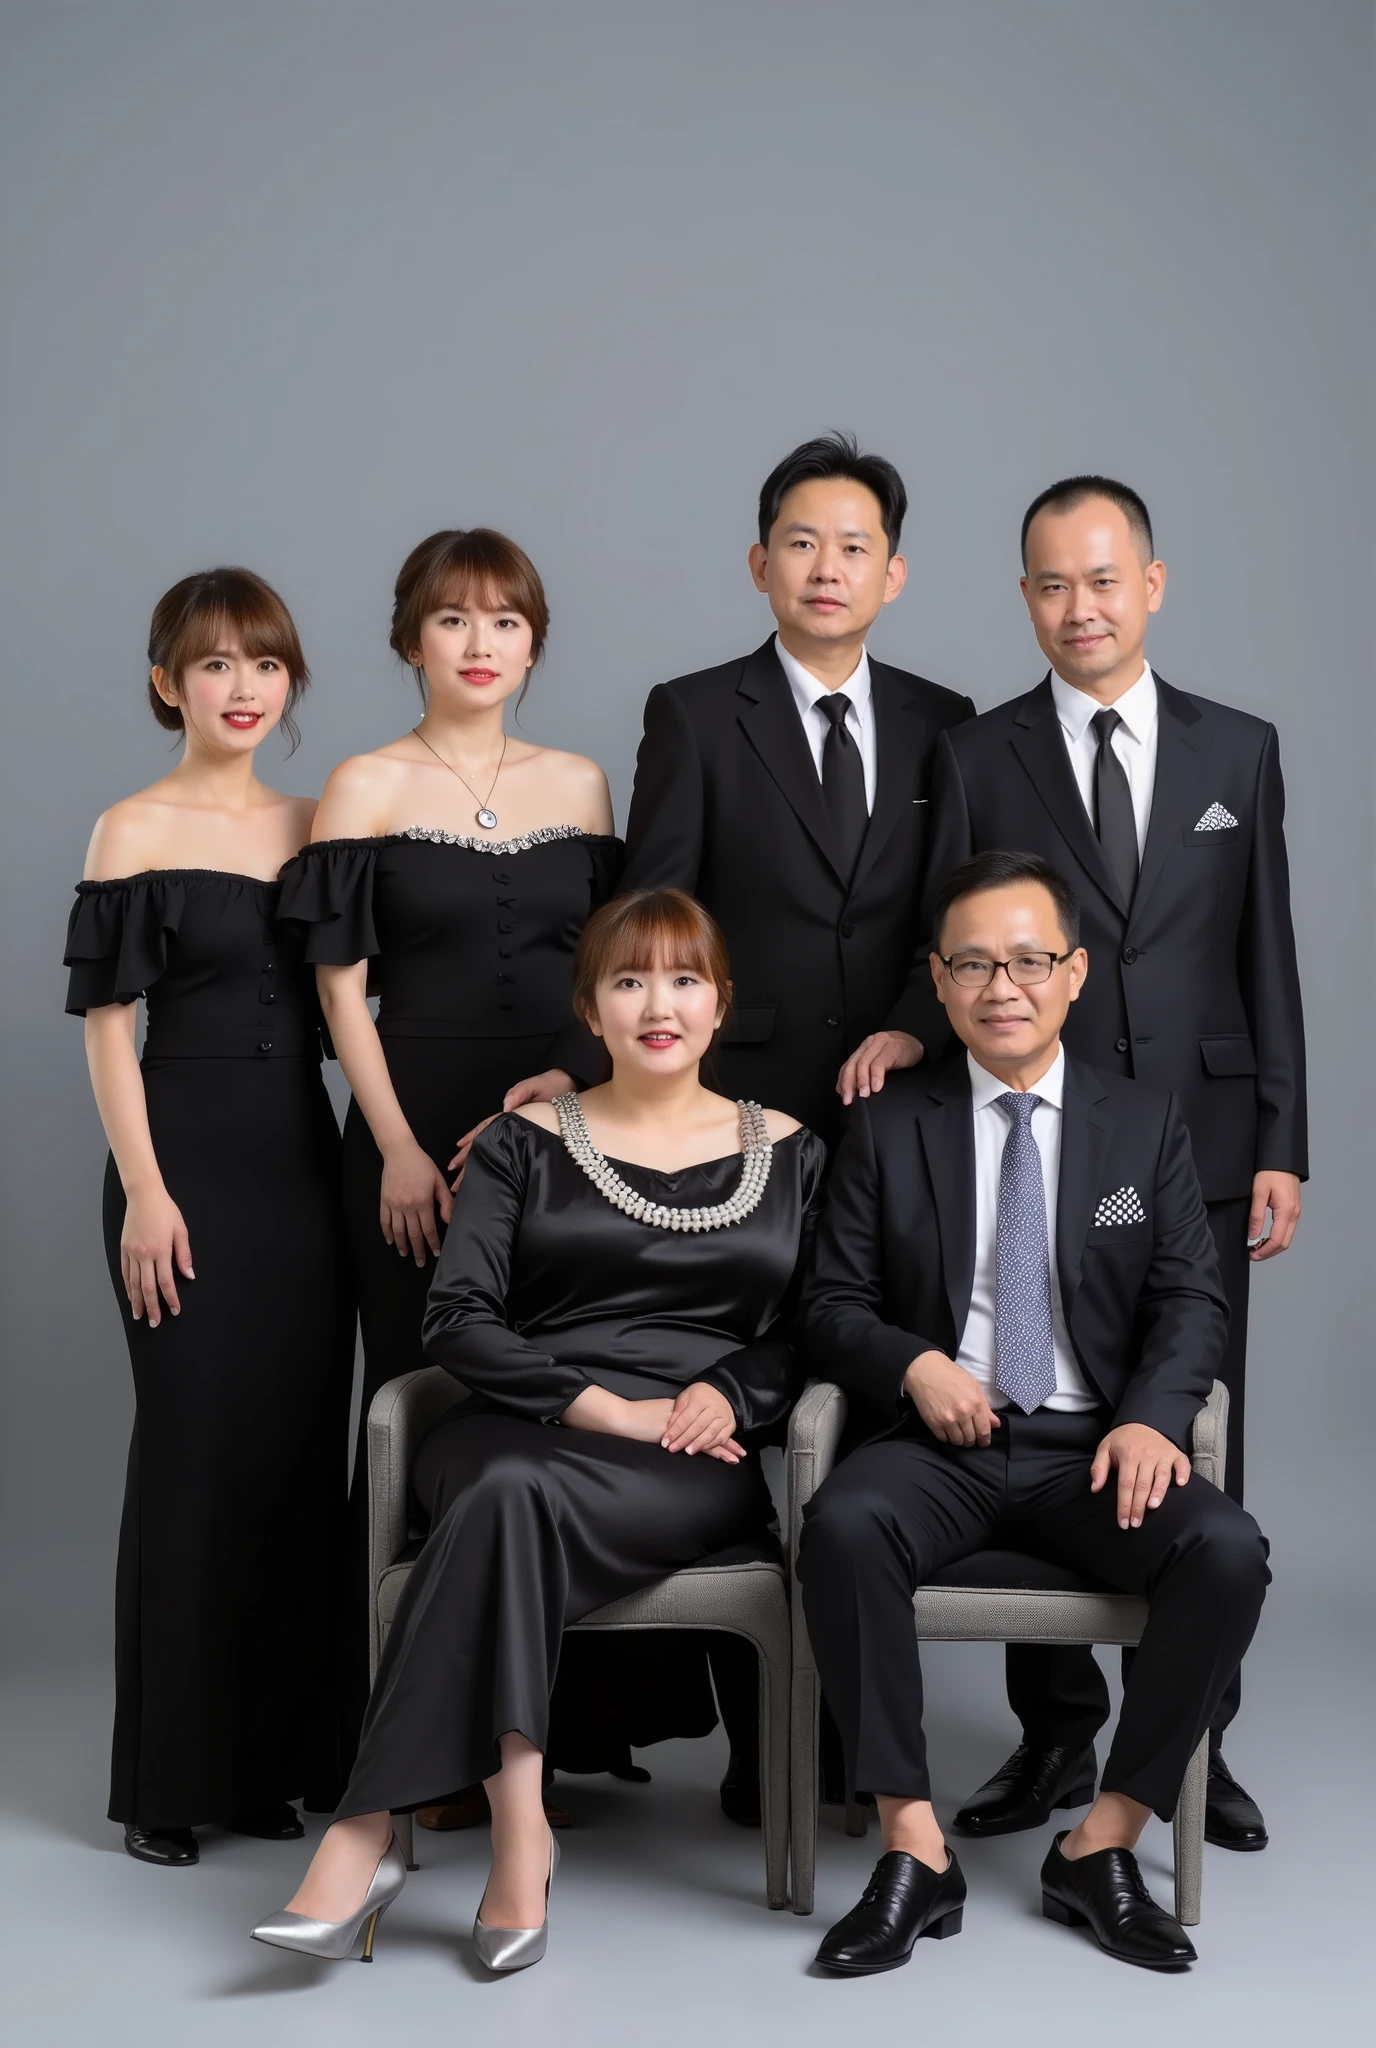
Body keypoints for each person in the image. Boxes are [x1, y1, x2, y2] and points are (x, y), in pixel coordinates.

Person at [250, 888, 826, 1971]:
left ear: (721, 1003)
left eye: (684, 979)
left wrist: (732, 1392)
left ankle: (371, 1833)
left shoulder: (793, 1149)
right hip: (523, 1418)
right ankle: (517, 1832)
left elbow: (813, 1329)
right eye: (628, 981)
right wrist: (602, 1407)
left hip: (687, 1450)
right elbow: (456, 1318)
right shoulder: (522, 1140)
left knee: (501, 1503)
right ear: (590, 1010)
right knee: (506, 1484)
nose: (658, 1005)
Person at [850, 476, 1304, 1850]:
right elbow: (948, 930)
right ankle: (1054, 1732)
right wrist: (905, 1026)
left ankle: (1191, 1740)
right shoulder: (980, 753)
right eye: (1050, 584)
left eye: (1102, 580)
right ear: (1024, 597)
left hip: (1196, 1137)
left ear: (1149, 585)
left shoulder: (1238, 749)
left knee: (1184, 1420)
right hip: (1023, 1115)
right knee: (1026, 1391)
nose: (1079, 607)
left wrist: (1280, 1138)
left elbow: (1265, 950)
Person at [797, 852, 1269, 1975]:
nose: (1000, 985)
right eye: (971, 964)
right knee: (841, 1526)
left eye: (1026, 960)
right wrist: (914, 1363)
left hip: (1090, 1447)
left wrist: (1151, 1417)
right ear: (938, 980)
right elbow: (829, 1305)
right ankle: (914, 1848)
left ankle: (1101, 1843)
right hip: (940, 1444)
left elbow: (1190, 1299)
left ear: (1075, 973)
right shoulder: (889, 1123)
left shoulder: (1141, 1121)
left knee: (1227, 1551)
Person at [277, 527, 623, 1781]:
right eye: (453, 619)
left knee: (554, 1403)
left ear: (534, 643)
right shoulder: (363, 783)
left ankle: (542, 1736)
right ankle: (414, 1747)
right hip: (406, 1127)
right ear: (409, 638)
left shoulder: (582, 782)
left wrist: (570, 1086)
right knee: (420, 1399)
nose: (481, 644)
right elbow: (337, 990)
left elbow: (609, 976)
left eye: (505, 621)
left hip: (560, 1130)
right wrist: (396, 1149)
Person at [64, 569, 354, 1867]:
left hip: (301, 1166)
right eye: (216, 664)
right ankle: (167, 1782)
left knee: (292, 1459)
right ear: (166, 682)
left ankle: (268, 1767)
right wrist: (144, 1189)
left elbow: (352, 1003)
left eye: (266, 663)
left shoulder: (317, 824)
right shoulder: (130, 828)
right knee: (192, 1455)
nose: (244, 687)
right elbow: (107, 1031)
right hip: (175, 1162)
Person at [619, 430, 975, 1149]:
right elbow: (651, 914)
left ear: (893, 575)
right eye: (802, 543)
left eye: (854, 548)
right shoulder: (694, 716)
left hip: (910, 1088)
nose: (827, 570)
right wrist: (576, 1063)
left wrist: (915, 1027)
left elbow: (960, 908)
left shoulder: (944, 720)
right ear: (760, 564)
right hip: (737, 1092)